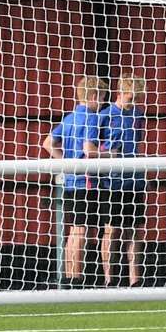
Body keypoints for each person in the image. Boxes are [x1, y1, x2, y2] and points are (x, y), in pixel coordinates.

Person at [41, 75, 105, 287]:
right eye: (103, 97)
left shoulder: (70, 118)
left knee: (74, 228)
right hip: (84, 181)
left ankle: (69, 276)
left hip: (70, 181)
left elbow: (48, 143)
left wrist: (66, 162)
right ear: (94, 95)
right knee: (81, 228)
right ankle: (76, 279)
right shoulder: (91, 118)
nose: (103, 102)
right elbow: (89, 150)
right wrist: (112, 155)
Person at [97, 73, 147, 288]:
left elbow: (138, 140)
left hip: (134, 180)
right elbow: (93, 147)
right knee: (112, 229)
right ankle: (110, 279)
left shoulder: (138, 113)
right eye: (131, 97)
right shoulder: (105, 115)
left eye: (137, 97)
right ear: (121, 92)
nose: (134, 101)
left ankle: (135, 280)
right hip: (111, 182)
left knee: (133, 230)